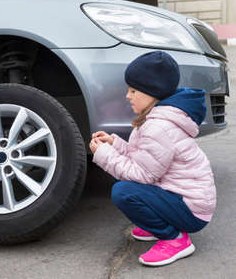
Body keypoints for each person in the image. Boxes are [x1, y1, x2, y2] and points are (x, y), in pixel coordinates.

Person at [89, 51, 216, 267]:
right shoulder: (157, 119)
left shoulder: (158, 127)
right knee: (128, 188)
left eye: (133, 90)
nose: (128, 96)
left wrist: (104, 155)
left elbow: (144, 174)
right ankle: (161, 223)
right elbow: (144, 157)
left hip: (192, 210)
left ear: (152, 93)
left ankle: (175, 239)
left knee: (123, 192)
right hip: (186, 199)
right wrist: (115, 144)